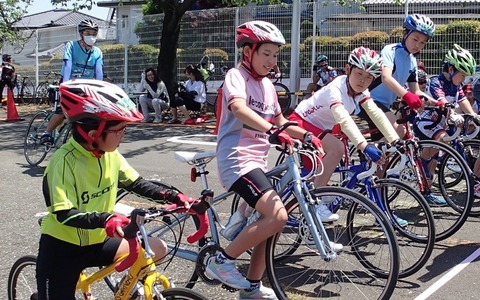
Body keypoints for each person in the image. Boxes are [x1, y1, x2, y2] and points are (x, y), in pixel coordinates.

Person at [35, 79, 199, 299]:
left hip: (98, 241)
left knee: (157, 249)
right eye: (120, 129)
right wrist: (106, 219)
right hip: (62, 250)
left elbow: (136, 183)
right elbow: (63, 213)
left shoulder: (110, 154)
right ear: (93, 134)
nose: (124, 134)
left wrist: (175, 197)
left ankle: (127, 292)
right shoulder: (63, 162)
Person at [205, 20, 322, 300]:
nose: (271, 60)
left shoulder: (268, 86)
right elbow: (238, 108)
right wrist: (272, 131)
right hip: (237, 160)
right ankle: (221, 261)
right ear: (249, 52)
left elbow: (281, 120)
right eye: (265, 53)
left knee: (271, 224)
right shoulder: (236, 76)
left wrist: (307, 136)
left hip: (257, 162)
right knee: (277, 214)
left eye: (274, 55)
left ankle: (252, 288)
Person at [289, 47, 400, 221]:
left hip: (323, 128)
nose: (363, 80)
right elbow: (343, 118)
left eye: (369, 77)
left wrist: (396, 140)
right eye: (359, 74)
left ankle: (314, 214)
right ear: (348, 70)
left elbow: (375, 113)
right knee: (337, 148)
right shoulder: (336, 88)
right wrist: (364, 146)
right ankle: (316, 202)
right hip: (301, 122)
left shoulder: (361, 92)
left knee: (319, 169)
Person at [412, 44, 480, 197]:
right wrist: (452, 115)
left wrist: (474, 117)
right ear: (451, 70)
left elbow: (463, 101)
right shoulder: (436, 82)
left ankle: (426, 194)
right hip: (426, 124)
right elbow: (442, 102)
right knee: (443, 140)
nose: (464, 78)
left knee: (433, 165)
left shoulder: (456, 85)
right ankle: (420, 164)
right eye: (462, 75)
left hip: (439, 125)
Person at [40, 19, 104, 144]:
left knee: (87, 113)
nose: (91, 36)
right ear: (81, 33)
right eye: (88, 33)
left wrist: (100, 87)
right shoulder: (71, 45)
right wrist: (65, 85)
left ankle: (70, 129)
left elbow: (99, 71)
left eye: (93, 33)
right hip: (69, 82)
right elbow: (68, 65)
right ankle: (46, 133)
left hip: (86, 87)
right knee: (63, 110)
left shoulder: (97, 52)